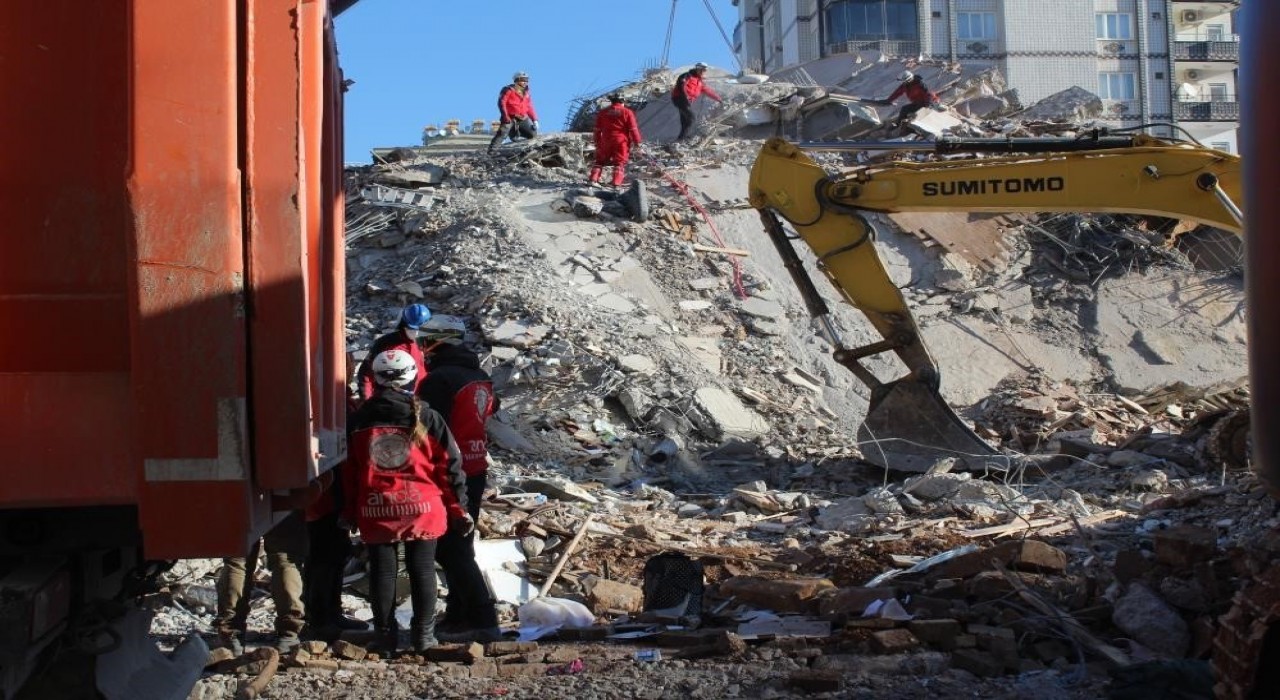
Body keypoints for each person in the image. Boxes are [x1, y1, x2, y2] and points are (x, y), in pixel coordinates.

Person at [345, 349, 472, 653]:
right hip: (423, 508)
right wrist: (459, 508)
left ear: (374, 378)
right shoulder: (427, 416)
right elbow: (449, 467)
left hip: (377, 507)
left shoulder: (359, 418)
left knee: (383, 571)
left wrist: (350, 511)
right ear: (413, 376)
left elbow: (348, 470)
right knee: (423, 569)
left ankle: (384, 637)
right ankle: (423, 637)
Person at [418, 342, 502, 642]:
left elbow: (428, 423)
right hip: (477, 467)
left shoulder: (438, 381)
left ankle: (482, 616)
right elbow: (494, 407)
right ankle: (459, 614)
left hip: (449, 470)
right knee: (461, 543)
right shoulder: (480, 377)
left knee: (449, 548)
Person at [214, 511, 308, 655]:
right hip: (284, 495)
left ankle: (231, 634)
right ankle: (289, 633)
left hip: (241, 495)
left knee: (238, 560)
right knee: (285, 560)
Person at [354, 303, 431, 402]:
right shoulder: (385, 344)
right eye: (412, 329)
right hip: (390, 403)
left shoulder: (425, 342)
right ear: (404, 324)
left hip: (418, 401)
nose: (416, 332)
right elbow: (366, 374)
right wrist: (366, 401)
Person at [589, 94, 643, 188]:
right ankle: (616, 183)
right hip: (621, 141)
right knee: (619, 162)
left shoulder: (603, 112)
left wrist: (597, 142)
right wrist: (637, 142)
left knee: (600, 161)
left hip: (605, 140)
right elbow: (633, 129)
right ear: (622, 101)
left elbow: (597, 129)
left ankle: (593, 179)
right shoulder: (627, 112)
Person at [487, 72, 539, 153]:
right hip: (510, 117)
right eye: (523, 80)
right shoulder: (508, 89)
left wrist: (535, 120)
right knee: (502, 134)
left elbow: (529, 107)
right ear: (516, 80)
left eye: (527, 80)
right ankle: (491, 153)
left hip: (523, 118)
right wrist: (505, 116)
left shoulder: (527, 93)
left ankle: (525, 148)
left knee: (533, 134)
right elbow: (502, 103)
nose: (525, 82)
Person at [671, 62, 722, 142]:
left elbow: (707, 91)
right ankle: (684, 138)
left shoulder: (700, 82)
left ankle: (680, 139)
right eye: (700, 70)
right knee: (691, 118)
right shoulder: (687, 75)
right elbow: (681, 86)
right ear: (697, 69)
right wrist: (686, 97)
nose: (702, 72)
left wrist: (718, 98)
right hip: (680, 98)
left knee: (685, 121)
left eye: (703, 70)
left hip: (687, 101)